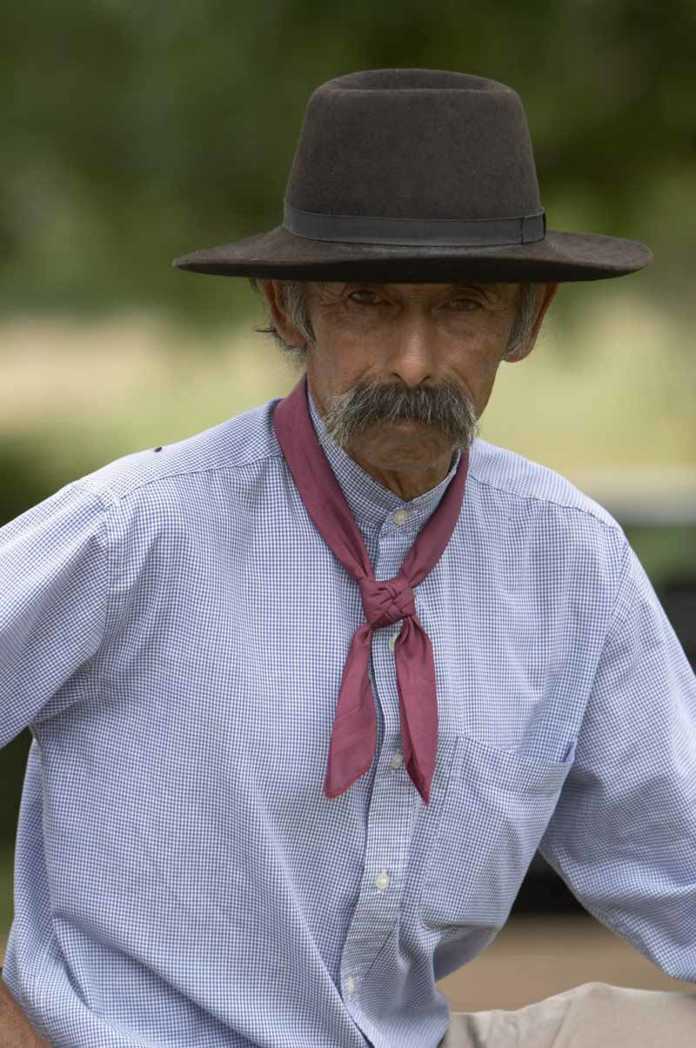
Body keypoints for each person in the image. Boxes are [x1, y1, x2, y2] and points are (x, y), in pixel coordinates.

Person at [1, 68, 695, 1048]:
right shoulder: (135, 533)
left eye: (462, 306)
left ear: (526, 321)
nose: (413, 362)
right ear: (292, 310)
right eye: (368, 301)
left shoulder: (573, 562)